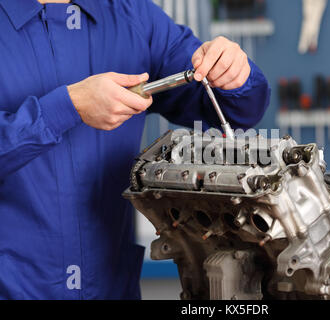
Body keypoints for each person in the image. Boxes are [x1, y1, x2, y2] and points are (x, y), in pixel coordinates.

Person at [0, 0, 270, 299]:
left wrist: (234, 75)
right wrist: (64, 109)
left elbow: (239, 110)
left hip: (110, 289)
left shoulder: (131, 15)